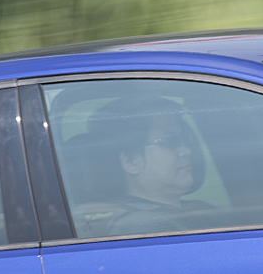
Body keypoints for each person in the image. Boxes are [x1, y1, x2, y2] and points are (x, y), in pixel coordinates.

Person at [82, 97, 216, 235]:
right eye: (170, 140)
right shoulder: (145, 226)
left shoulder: (198, 210)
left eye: (185, 140)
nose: (186, 151)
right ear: (130, 161)